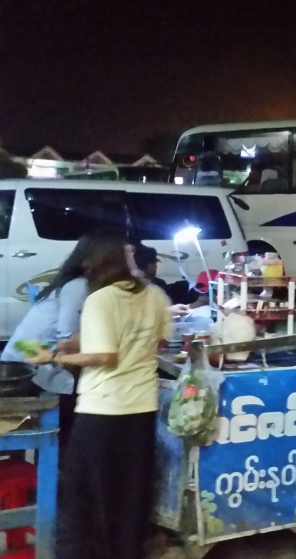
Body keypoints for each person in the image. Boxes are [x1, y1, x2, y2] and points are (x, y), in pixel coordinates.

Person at [27, 229, 172, 559]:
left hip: (102, 411)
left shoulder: (100, 299)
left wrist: (56, 357)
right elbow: (156, 341)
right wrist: (76, 343)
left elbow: (106, 356)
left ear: (96, 262)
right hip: (142, 407)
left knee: (89, 495)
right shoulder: (153, 294)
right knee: (131, 492)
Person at [0, 233, 101, 447]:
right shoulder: (78, 286)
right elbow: (67, 342)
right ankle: (60, 464)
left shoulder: (72, 283)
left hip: (25, 365)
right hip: (26, 372)